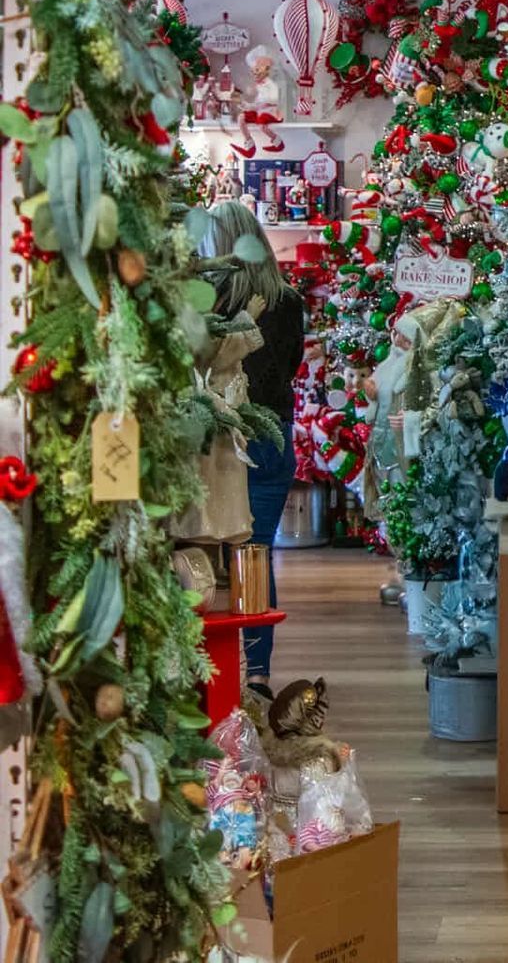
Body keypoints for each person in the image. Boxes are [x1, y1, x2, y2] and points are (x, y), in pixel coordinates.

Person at [199, 201, 304, 686]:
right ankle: (258, 674)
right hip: (272, 434)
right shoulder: (288, 301)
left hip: (220, 436)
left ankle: (213, 670)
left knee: (203, 553)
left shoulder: (210, 302)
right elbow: (292, 366)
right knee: (256, 555)